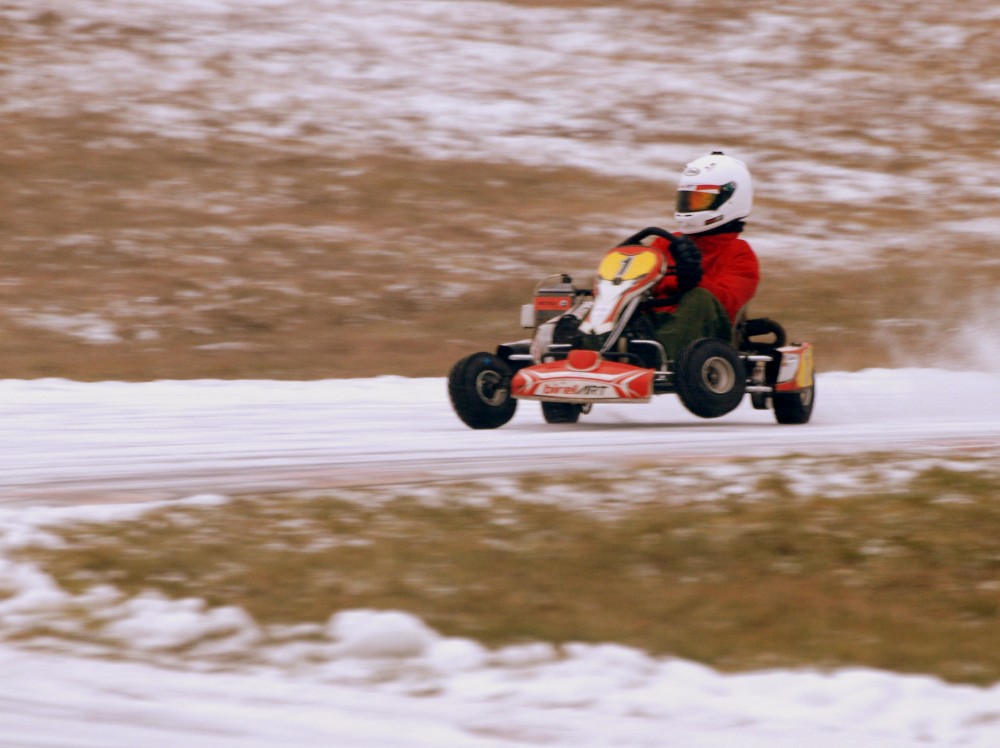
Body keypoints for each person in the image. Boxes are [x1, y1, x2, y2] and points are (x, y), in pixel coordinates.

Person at [645, 151, 760, 361]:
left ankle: (654, 358)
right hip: (655, 321)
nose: (690, 207)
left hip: (708, 340)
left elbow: (726, 304)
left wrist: (694, 279)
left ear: (729, 200)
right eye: (687, 199)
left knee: (698, 298)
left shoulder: (740, 254)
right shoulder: (665, 242)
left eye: (700, 199)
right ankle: (582, 349)